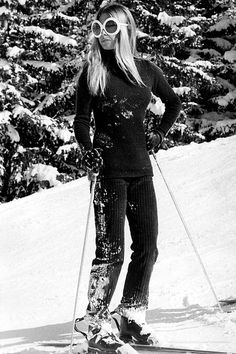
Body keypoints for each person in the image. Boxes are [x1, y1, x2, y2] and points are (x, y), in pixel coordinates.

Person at [73, 3, 181, 353]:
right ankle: (94, 320)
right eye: (97, 28)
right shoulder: (92, 72)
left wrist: (160, 133)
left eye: (109, 27)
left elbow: (173, 103)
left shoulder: (146, 71)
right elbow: (81, 121)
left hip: (141, 172)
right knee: (111, 252)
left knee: (147, 248)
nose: (102, 35)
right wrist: (87, 148)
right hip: (108, 174)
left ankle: (131, 316)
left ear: (125, 30)